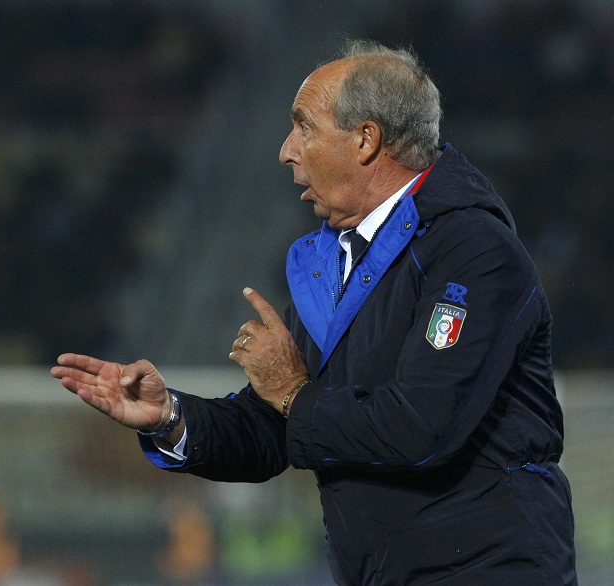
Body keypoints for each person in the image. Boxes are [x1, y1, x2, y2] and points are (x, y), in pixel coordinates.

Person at [51, 39, 576, 585]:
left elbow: (422, 426)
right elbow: (275, 426)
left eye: (304, 127)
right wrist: (170, 418)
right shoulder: (339, 258)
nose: (285, 150)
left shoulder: (474, 251)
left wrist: (294, 392)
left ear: (366, 140)